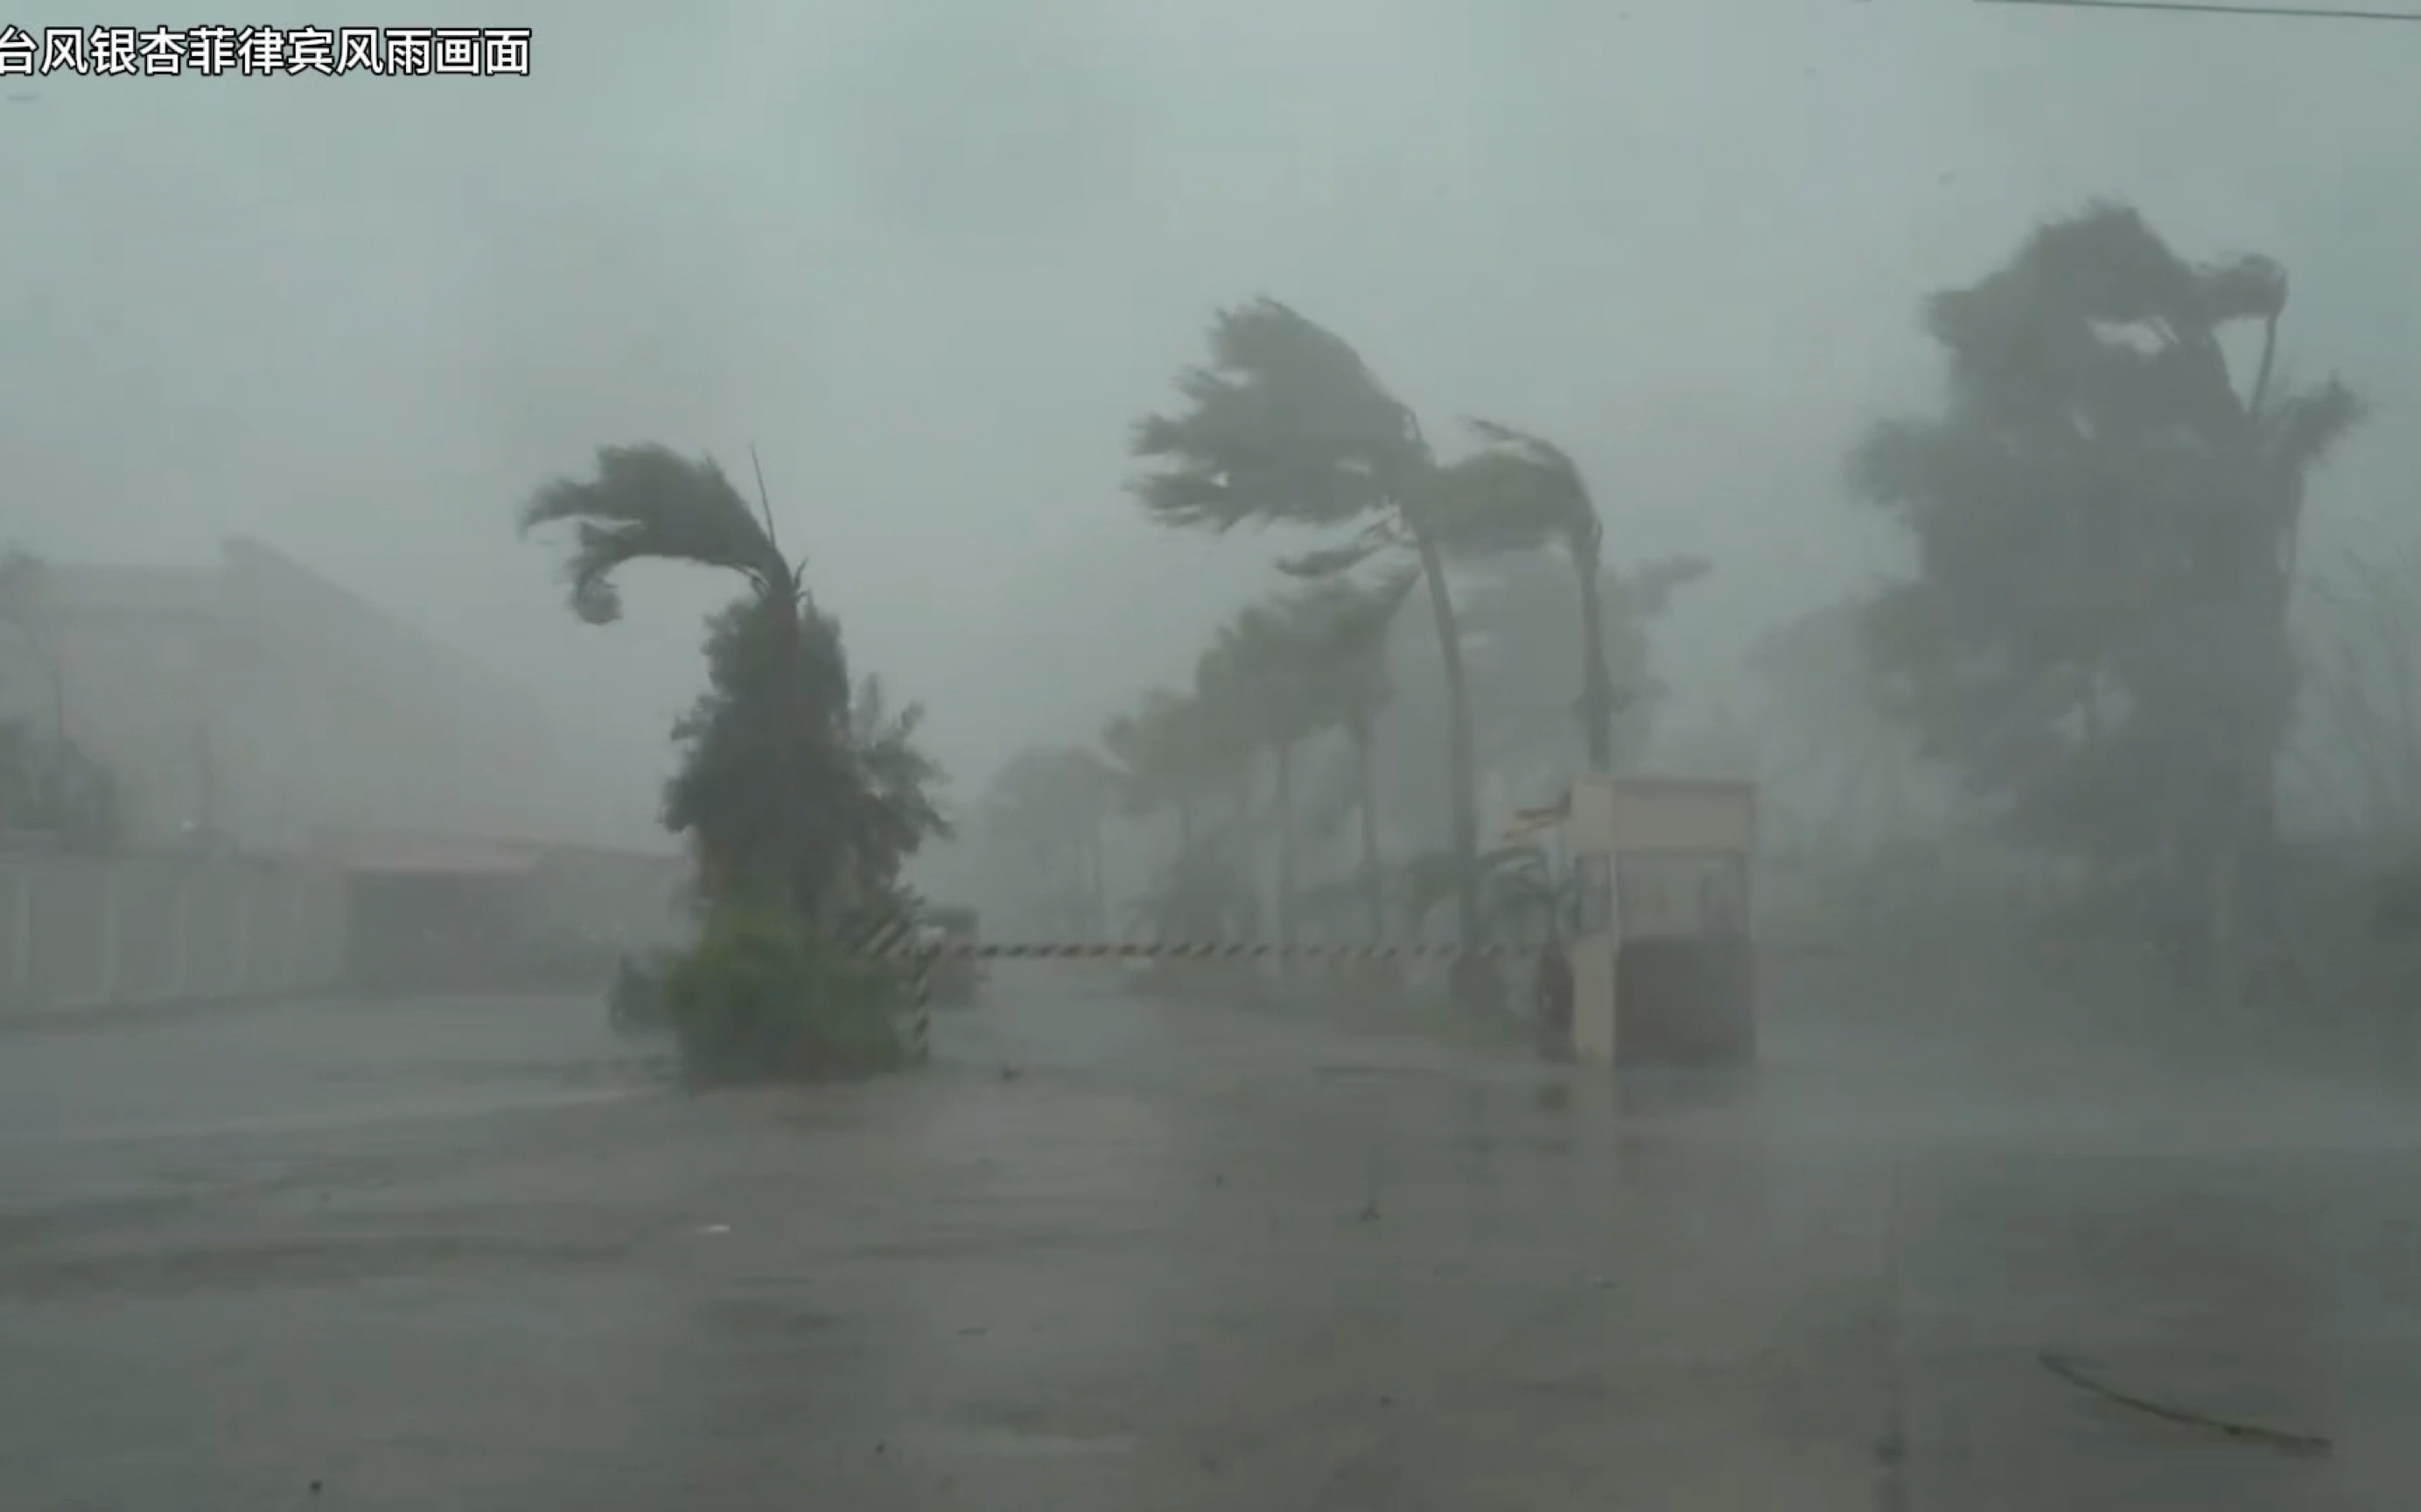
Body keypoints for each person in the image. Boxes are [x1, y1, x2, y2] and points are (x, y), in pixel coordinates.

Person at [1535, 934, 1576, 1062]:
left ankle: (1559, 1053)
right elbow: (1540, 987)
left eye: (1557, 950)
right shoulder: (1545, 969)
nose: (1556, 953)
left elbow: (1570, 982)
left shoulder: (1563, 966)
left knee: (1562, 1029)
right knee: (1553, 1029)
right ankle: (1552, 1053)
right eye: (1554, 950)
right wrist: (1542, 1002)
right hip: (1553, 1003)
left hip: (1562, 1003)